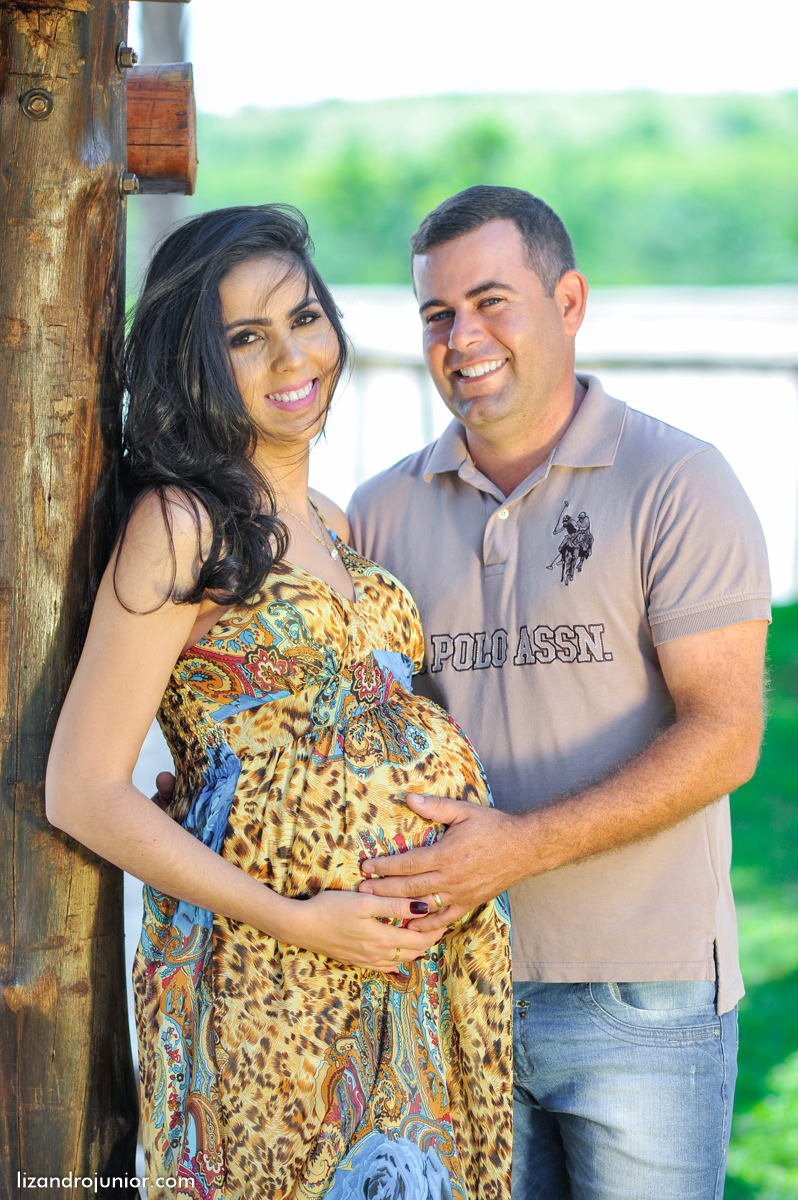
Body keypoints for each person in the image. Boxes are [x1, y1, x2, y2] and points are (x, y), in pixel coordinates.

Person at [45, 205, 513, 1200]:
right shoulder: (180, 523)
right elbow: (83, 790)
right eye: (246, 337)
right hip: (269, 974)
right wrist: (299, 921)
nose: (291, 355)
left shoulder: (337, 524)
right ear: (195, 364)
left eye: (304, 318)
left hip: (403, 980)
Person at [347, 186, 770, 1199]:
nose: (464, 337)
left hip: (645, 997)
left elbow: (726, 738)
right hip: (448, 983)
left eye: (494, 301)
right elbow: (358, 730)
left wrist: (518, 847)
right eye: (438, 314)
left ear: (569, 301)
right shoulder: (380, 510)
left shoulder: (679, 481)